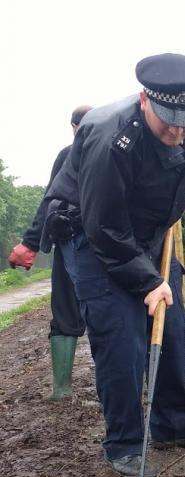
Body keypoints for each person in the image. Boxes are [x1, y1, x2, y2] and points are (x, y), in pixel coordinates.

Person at [44, 53, 185, 477]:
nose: (178, 129)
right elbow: (104, 227)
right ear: (146, 99)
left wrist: (162, 226)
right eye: (168, 119)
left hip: (148, 232)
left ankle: (173, 424)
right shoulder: (108, 136)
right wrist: (146, 280)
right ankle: (124, 443)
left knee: (172, 329)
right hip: (89, 234)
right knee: (122, 337)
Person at [7, 105, 92, 401]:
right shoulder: (116, 151)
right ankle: (138, 385)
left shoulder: (69, 154)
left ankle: (62, 390)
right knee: (114, 311)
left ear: (73, 126)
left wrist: (30, 242)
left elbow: (50, 200)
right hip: (109, 246)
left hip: (74, 244)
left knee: (69, 311)